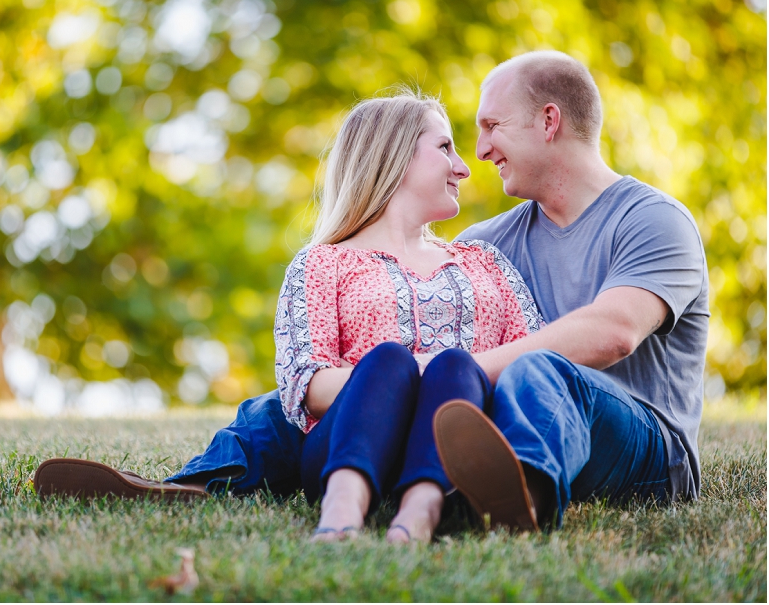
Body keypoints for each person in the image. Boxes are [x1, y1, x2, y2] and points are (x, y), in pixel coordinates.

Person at [426, 50, 708, 531]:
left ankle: (522, 502)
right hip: (512, 417)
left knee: (539, 370)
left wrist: (461, 370)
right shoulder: (483, 244)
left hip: (649, 455)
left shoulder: (654, 220)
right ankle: (256, 458)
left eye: (493, 125)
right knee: (317, 394)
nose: (480, 150)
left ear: (548, 120)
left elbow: (613, 332)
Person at [273, 90, 545, 543]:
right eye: (444, 148)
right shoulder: (322, 263)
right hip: (343, 443)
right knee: (389, 359)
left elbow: (530, 371)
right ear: (392, 155)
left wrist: (444, 374)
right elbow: (308, 387)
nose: (463, 166)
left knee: (456, 364)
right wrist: (407, 373)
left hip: (460, 449)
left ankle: (421, 508)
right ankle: (343, 506)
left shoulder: (485, 262)